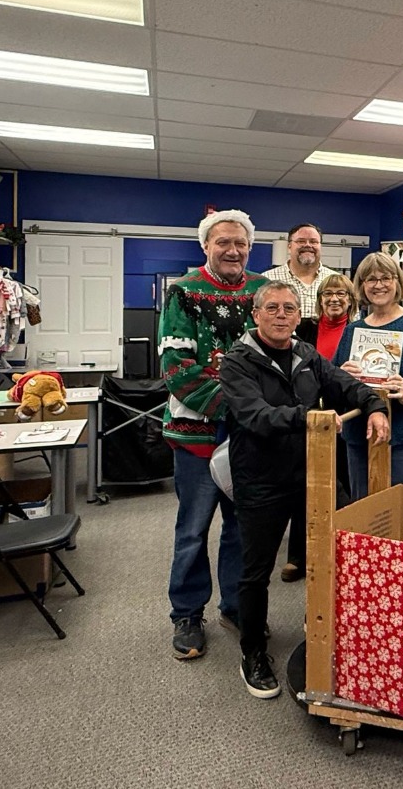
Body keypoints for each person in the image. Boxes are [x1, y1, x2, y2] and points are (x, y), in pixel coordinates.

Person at [220, 281, 389, 698]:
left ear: (299, 317)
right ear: (256, 314)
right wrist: (310, 417)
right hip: (260, 480)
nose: (281, 315)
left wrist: (375, 406)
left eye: (289, 309)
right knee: (256, 570)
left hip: (313, 475)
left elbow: (344, 385)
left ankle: (341, 632)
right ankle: (253, 650)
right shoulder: (237, 362)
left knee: (344, 548)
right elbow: (255, 416)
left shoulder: (306, 354)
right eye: (273, 308)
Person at [158, 209, 267, 661]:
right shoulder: (183, 292)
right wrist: (237, 408)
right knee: (194, 528)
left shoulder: (263, 292)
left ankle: (235, 605)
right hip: (196, 434)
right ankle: (187, 612)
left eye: (240, 243)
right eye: (223, 242)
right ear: (206, 246)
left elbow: (273, 357)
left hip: (249, 439)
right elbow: (176, 368)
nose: (233, 250)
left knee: (242, 528)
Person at [334, 252, 403, 498]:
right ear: (361, 285)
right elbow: (333, 381)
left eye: (386, 277)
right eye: (371, 279)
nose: (379, 285)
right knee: (362, 512)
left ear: (397, 282)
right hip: (359, 436)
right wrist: (342, 375)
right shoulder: (353, 330)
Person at [279, 272, 359, 582]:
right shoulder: (306, 329)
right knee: (307, 484)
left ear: (351, 300)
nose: (334, 299)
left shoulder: (359, 330)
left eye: (341, 294)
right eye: (328, 294)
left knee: (343, 485)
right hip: (308, 415)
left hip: (345, 416)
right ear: (319, 299)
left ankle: (340, 552)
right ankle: (299, 556)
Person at [263, 222, 339, 340]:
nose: (308, 245)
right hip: (279, 350)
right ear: (289, 246)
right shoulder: (268, 280)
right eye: (301, 241)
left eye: (314, 242)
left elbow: (352, 318)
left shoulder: (336, 280)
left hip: (327, 352)